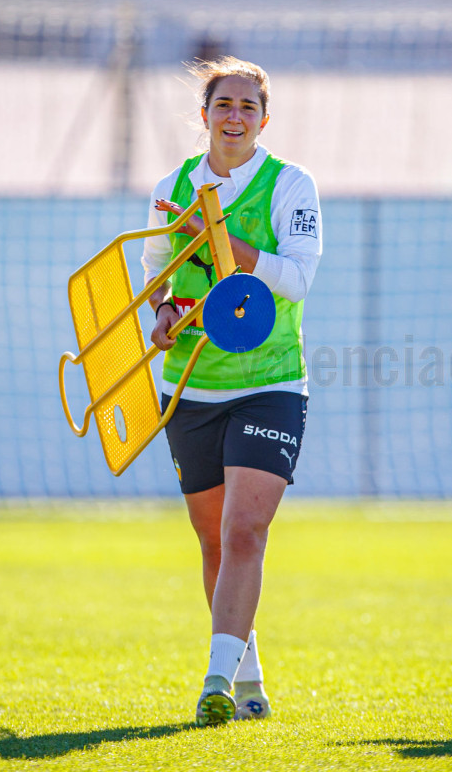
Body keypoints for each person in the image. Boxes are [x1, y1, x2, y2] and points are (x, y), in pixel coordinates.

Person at [141, 56, 323, 727]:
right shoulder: (173, 186)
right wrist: (162, 310)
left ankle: (214, 681)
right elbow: (155, 270)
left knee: (245, 530)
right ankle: (248, 680)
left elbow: (295, 280)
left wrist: (215, 235)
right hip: (190, 384)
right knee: (213, 540)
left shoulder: (291, 185)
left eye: (249, 106)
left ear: (264, 120)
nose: (235, 117)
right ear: (205, 115)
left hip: (269, 382)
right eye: (224, 104)